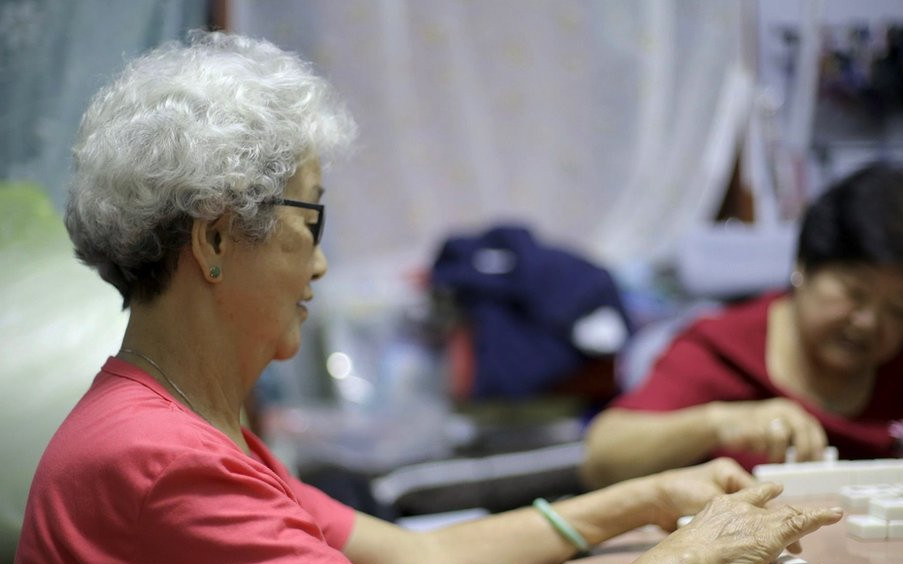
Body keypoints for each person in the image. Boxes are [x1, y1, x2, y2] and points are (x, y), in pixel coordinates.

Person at [14, 31, 845, 564]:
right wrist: (696, 555)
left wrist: (649, 496)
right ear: (216, 239)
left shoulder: (186, 429)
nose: (323, 266)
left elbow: (422, 559)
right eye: (312, 220)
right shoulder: (161, 465)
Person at [583, 162, 903, 489]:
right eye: (855, 293)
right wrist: (718, 423)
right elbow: (601, 459)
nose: (868, 323)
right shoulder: (722, 348)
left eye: (899, 309)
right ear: (803, 266)